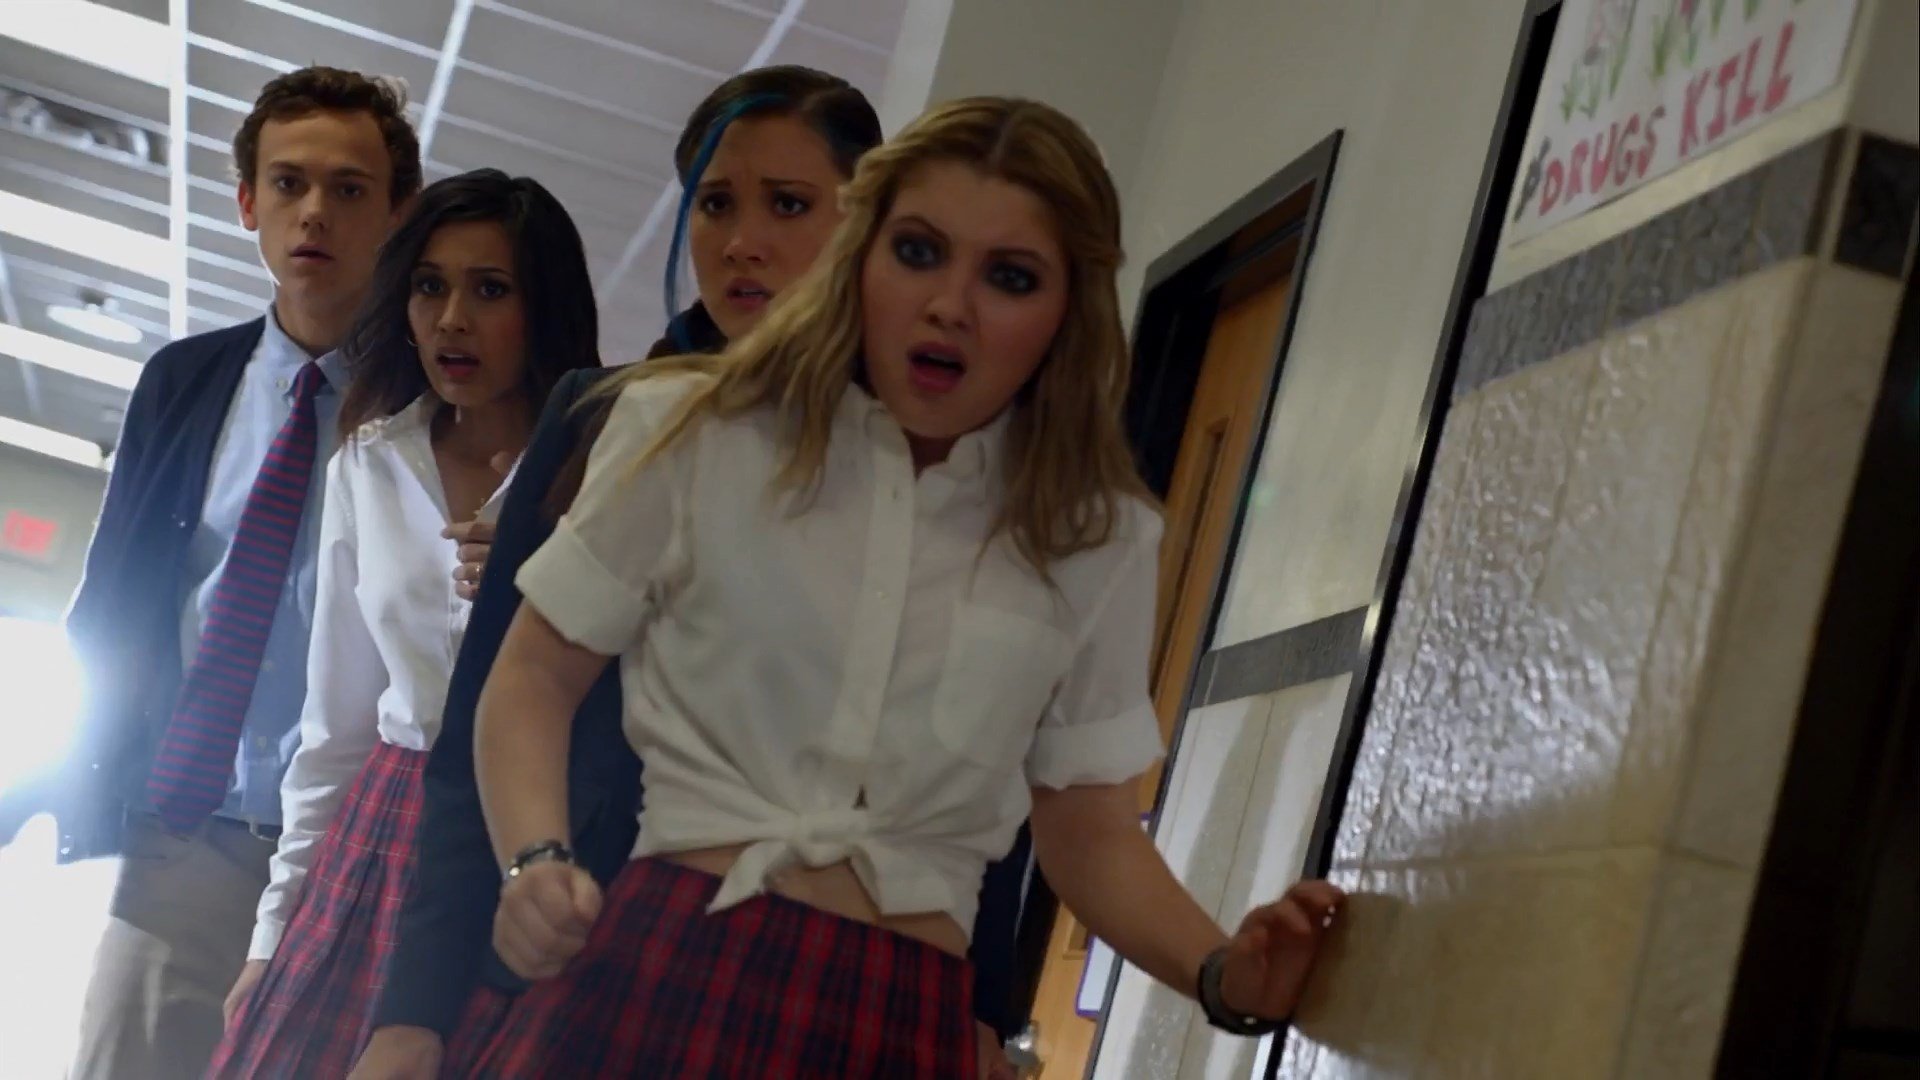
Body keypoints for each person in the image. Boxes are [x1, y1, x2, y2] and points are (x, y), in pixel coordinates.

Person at [464, 96, 1345, 1077]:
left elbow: (1088, 830)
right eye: (919, 253)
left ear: (1067, 312)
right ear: (861, 258)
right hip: (662, 960)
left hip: (901, 1014)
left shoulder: (1095, 537)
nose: (950, 305)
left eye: (1010, 277)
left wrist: (1222, 976)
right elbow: (533, 679)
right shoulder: (696, 432)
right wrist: (535, 861)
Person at [351, 68, 1032, 1080]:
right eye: (714, 204)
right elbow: (490, 712)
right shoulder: (605, 418)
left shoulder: (938, 461)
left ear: (867, 226)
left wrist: (985, 1004)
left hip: (841, 972)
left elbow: (987, 749)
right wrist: (413, 1012)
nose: (744, 241)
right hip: (585, 937)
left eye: (788, 205)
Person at [36, 67, 420, 1080]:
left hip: (350, 851)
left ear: (398, 213)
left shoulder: (435, 407)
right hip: (185, 829)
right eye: (289, 183)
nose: (314, 213)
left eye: (348, 188)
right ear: (248, 202)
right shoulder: (185, 380)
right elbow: (113, 603)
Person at [203, 169, 601, 1078]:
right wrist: (271, 932)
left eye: (490, 290)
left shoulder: (605, 464)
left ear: (542, 307)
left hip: (537, 828)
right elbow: (334, 724)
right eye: (429, 286)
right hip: (385, 823)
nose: (451, 320)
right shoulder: (369, 462)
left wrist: (548, 566)